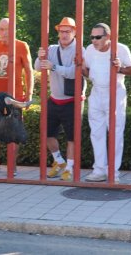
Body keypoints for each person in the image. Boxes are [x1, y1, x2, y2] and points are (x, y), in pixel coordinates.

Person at [82, 23, 131, 182]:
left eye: (98, 37)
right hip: (96, 93)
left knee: (116, 132)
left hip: (115, 93)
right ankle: (99, 170)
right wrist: (80, 67)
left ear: (108, 37)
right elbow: (87, 71)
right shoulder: (89, 50)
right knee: (96, 132)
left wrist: (120, 69)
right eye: (92, 37)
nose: (94, 40)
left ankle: (113, 172)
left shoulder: (121, 49)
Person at [34, 17, 86, 181]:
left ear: (74, 32)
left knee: (72, 136)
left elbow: (75, 73)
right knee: (47, 133)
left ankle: (70, 168)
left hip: (73, 100)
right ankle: (59, 161)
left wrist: (54, 67)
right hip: (55, 99)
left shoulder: (79, 50)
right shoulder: (51, 48)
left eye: (67, 31)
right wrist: (40, 56)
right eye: (61, 31)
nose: (64, 35)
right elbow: (37, 67)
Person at [0, 18, 34, 175]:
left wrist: (29, 94)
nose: (4, 32)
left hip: (15, 97)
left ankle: (13, 166)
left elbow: (29, 71)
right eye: (1, 29)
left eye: (7, 29)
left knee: (13, 131)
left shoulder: (21, 46)